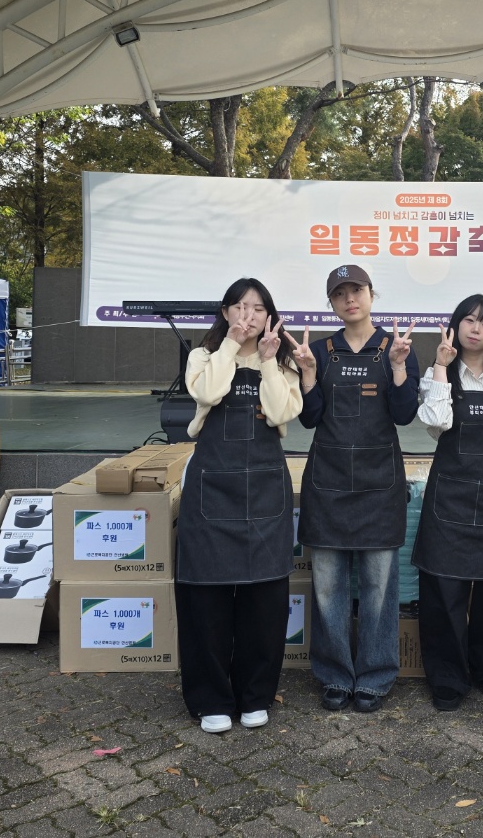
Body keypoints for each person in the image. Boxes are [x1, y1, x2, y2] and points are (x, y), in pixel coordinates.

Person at [286, 265, 419, 714]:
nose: (349, 299)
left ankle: (376, 676)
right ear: (331, 303)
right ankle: (334, 675)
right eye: (339, 293)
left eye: (356, 290)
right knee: (327, 587)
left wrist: (398, 368)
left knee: (379, 587)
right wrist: (307, 374)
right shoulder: (319, 351)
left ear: (370, 294)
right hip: (328, 483)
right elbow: (309, 419)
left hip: (380, 485)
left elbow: (404, 415)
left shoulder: (395, 347)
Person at [175, 278, 303, 734]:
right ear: (226, 312)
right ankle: (210, 698)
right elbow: (208, 394)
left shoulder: (282, 363)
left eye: (258, 308)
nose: (249, 315)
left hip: (265, 487)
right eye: (240, 307)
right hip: (211, 487)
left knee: (264, 599)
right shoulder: (203, 356)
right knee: (205, 597)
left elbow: (282, 413)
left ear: (270, 317)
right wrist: (230, 346)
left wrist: (268, 360)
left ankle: (255, 695)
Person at [412, 294, 483, 712]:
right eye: (469, 320)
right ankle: (447, 680)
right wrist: (441, 365)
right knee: (444, 591)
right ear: (456, 326)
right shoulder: (438, 373)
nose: (476, 329)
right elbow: (437, 422)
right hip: (450, 496)